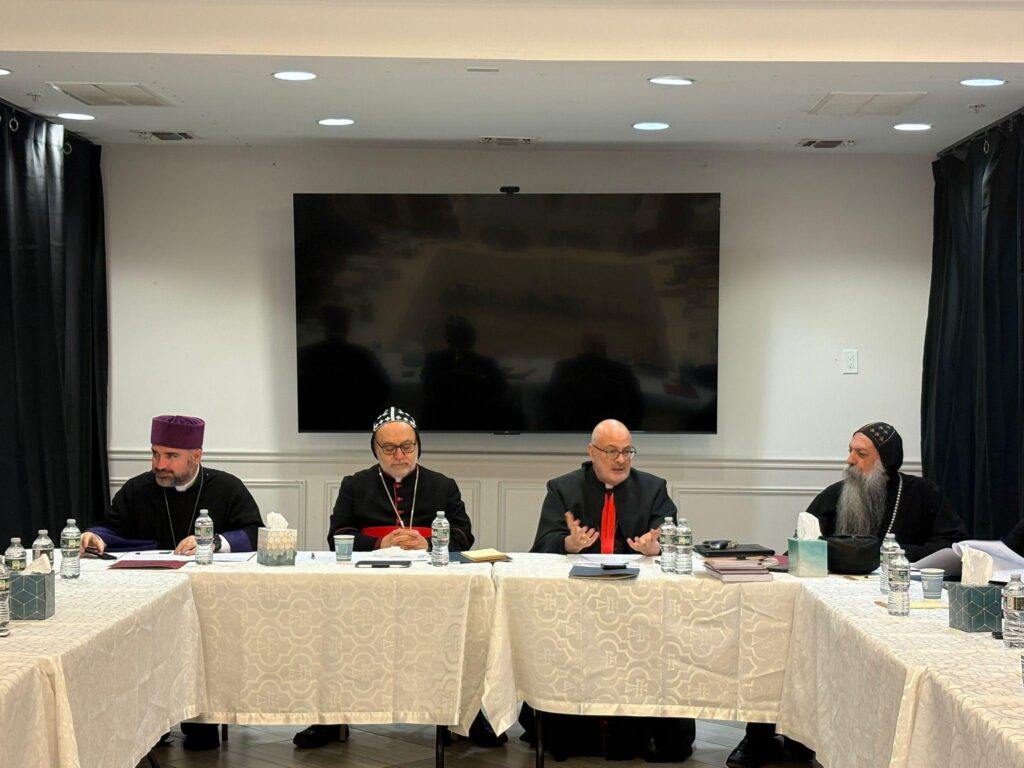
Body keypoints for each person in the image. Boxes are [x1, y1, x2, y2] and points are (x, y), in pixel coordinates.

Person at [726, 421, 968, 768]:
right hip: (828, 598)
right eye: (850, 451)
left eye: (861, 453)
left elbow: (951, 544)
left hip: (894, 603)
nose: (850, 460)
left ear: (886, 460)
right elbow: (801, 545)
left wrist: (890, 553)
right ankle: (760, 736)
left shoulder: (924, 495)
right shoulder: (835, 494)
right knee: (778, 637)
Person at [293, 406, 479, 749]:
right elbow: (337, 537)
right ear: (375, 449)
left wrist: (428, 543)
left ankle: (466, 717)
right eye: (389, 448)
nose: (399, 455)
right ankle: (330, 718)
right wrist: (380, 543)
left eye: (407, 446)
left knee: (465, 627)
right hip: (364, 587)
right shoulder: (354, 485)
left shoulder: (443, 485)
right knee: (331, 628)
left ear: (418, 446)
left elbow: (465, 537)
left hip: (431, 588)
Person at [81, 414, 264, 752]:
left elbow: (254, 532)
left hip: (208, 598)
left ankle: (203, 721)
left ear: (196, 456)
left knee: (206, 644)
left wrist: (214, 542)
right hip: (145, 594)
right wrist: (95, 536)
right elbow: (112, 526)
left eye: (170, 456)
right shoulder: (138, 488)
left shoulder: (227, 487)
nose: (159, 464)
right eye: (155, 453)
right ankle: (151, 727)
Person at [523, 418, 696, 763]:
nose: (621, 460)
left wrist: (655, 548)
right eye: (612, 451)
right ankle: (567, 734)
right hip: (578, 605)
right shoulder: (562, 488)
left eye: (627, 451)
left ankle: (652, 734)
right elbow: (542, 544)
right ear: (592, 452)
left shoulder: (653, 488)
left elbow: (672, 539)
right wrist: (569, 543)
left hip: (639, 607)